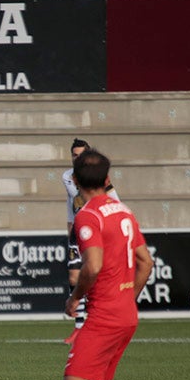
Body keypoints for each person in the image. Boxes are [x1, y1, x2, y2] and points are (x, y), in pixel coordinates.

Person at [63, 149, 155, 380]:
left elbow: (94, 266)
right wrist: (126, 299)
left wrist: (75, 297)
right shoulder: (124, 212)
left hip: (104, 315)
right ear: (107, 179)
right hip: (125, 313)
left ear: (74, 181)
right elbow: (146, 262)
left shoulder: (88, 216)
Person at [61, 138, 119, 345]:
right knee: (74, 277)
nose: (77, 158)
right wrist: (69, 227)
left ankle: (97, 324)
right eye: (74, 155)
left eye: (81, 155)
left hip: (97, 229)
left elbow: (113, 200)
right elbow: (73, 200)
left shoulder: (96, 178)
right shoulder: (68, 176)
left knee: (95, 277)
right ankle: (79, 327)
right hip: (78, 230)